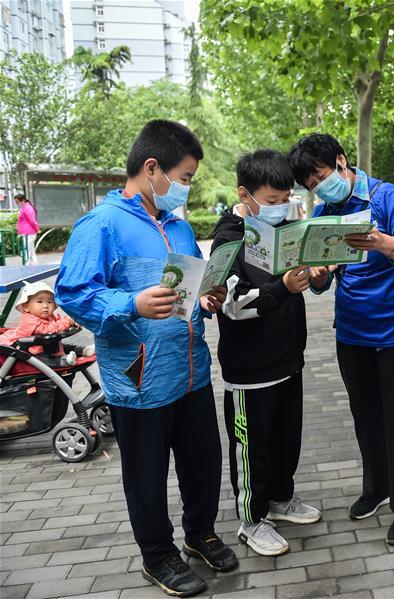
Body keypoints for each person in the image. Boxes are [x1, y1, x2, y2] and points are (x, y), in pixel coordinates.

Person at [55, 120, 236, 597]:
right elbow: (72, 294)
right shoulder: (102, 224)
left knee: (203, 463)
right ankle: (157, 555)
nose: (186, 188)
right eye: (186, 176)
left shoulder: (177, 226)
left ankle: (200, 534)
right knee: (147, 474)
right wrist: (129, 304)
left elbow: (183, 289)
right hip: (138, 378)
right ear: (152, 168)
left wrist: (205, 298)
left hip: (191, 370)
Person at [289, 133, 394, 546]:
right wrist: (319, 276)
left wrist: (384, 243)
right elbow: (323, 278)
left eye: (321, 177)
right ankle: (378, 486)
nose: (319, 188)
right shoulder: (326, 211)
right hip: (352, 332)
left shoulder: (387, 198)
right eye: (311, 185)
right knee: (366, 415)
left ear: (341, 161)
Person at [212, 149, 320, 557]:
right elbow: (231, 305)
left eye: (284, 199)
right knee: (251, 448)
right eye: (271, 201)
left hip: (288, 360)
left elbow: (293, 280)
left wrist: (312, 272)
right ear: (246, 194)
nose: (280, 207)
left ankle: (280, 499)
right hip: (249, 370)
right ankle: (251, 520)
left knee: (285, 440)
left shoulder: (287, 229)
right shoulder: (230, 239)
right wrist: (282, 289)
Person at [0, 281, 95, 366]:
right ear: (26, 307)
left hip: (45, 346)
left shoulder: (48, 316)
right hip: (29, 350)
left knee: (63, 347)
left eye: (49, 302)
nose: (45, 305)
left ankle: (83, 350)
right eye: (39, 301)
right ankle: (63, 361)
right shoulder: (29, 320)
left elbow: (56, 324)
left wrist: (72, 323)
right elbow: (47, 330)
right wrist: (66, 322)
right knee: (41, 358)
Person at [14, 193, 39, 265]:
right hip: (27, 232)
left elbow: (32, 220)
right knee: (31, 250)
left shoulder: (27, 208)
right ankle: (35, 265)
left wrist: (37, 228)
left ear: (23, 200)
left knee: (27, 250)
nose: (17, 203)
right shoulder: (24, 207)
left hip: (29, 233)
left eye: (17, 202)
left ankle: (26, 265)